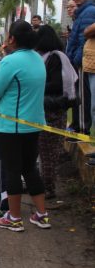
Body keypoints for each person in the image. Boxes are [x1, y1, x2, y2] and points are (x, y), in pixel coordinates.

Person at [0, 20, 49, 232]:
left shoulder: (11, 61)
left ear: (12, 39)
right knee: (30, 168)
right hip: (33, 124)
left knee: (12, 171)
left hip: (10, 126)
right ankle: (41, 214)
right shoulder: (37, 59)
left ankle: (14, 217)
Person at [36, 25, 77, 199]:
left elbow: (57, 85)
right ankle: (43, 186)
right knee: (44, 152)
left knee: (48, 153)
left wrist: (35, 87)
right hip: (47, 109)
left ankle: (49, 189)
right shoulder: (47, 57)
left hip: (53, 110)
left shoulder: (56, 58)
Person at [66, 0, 95, 134]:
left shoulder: (89, 12)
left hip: (83, 62)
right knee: (78, 97)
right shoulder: (81, 13)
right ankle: (78, 127)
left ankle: (82, 130)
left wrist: (76, 60)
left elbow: (84, 40)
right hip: (78, 61)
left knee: (83, 99)